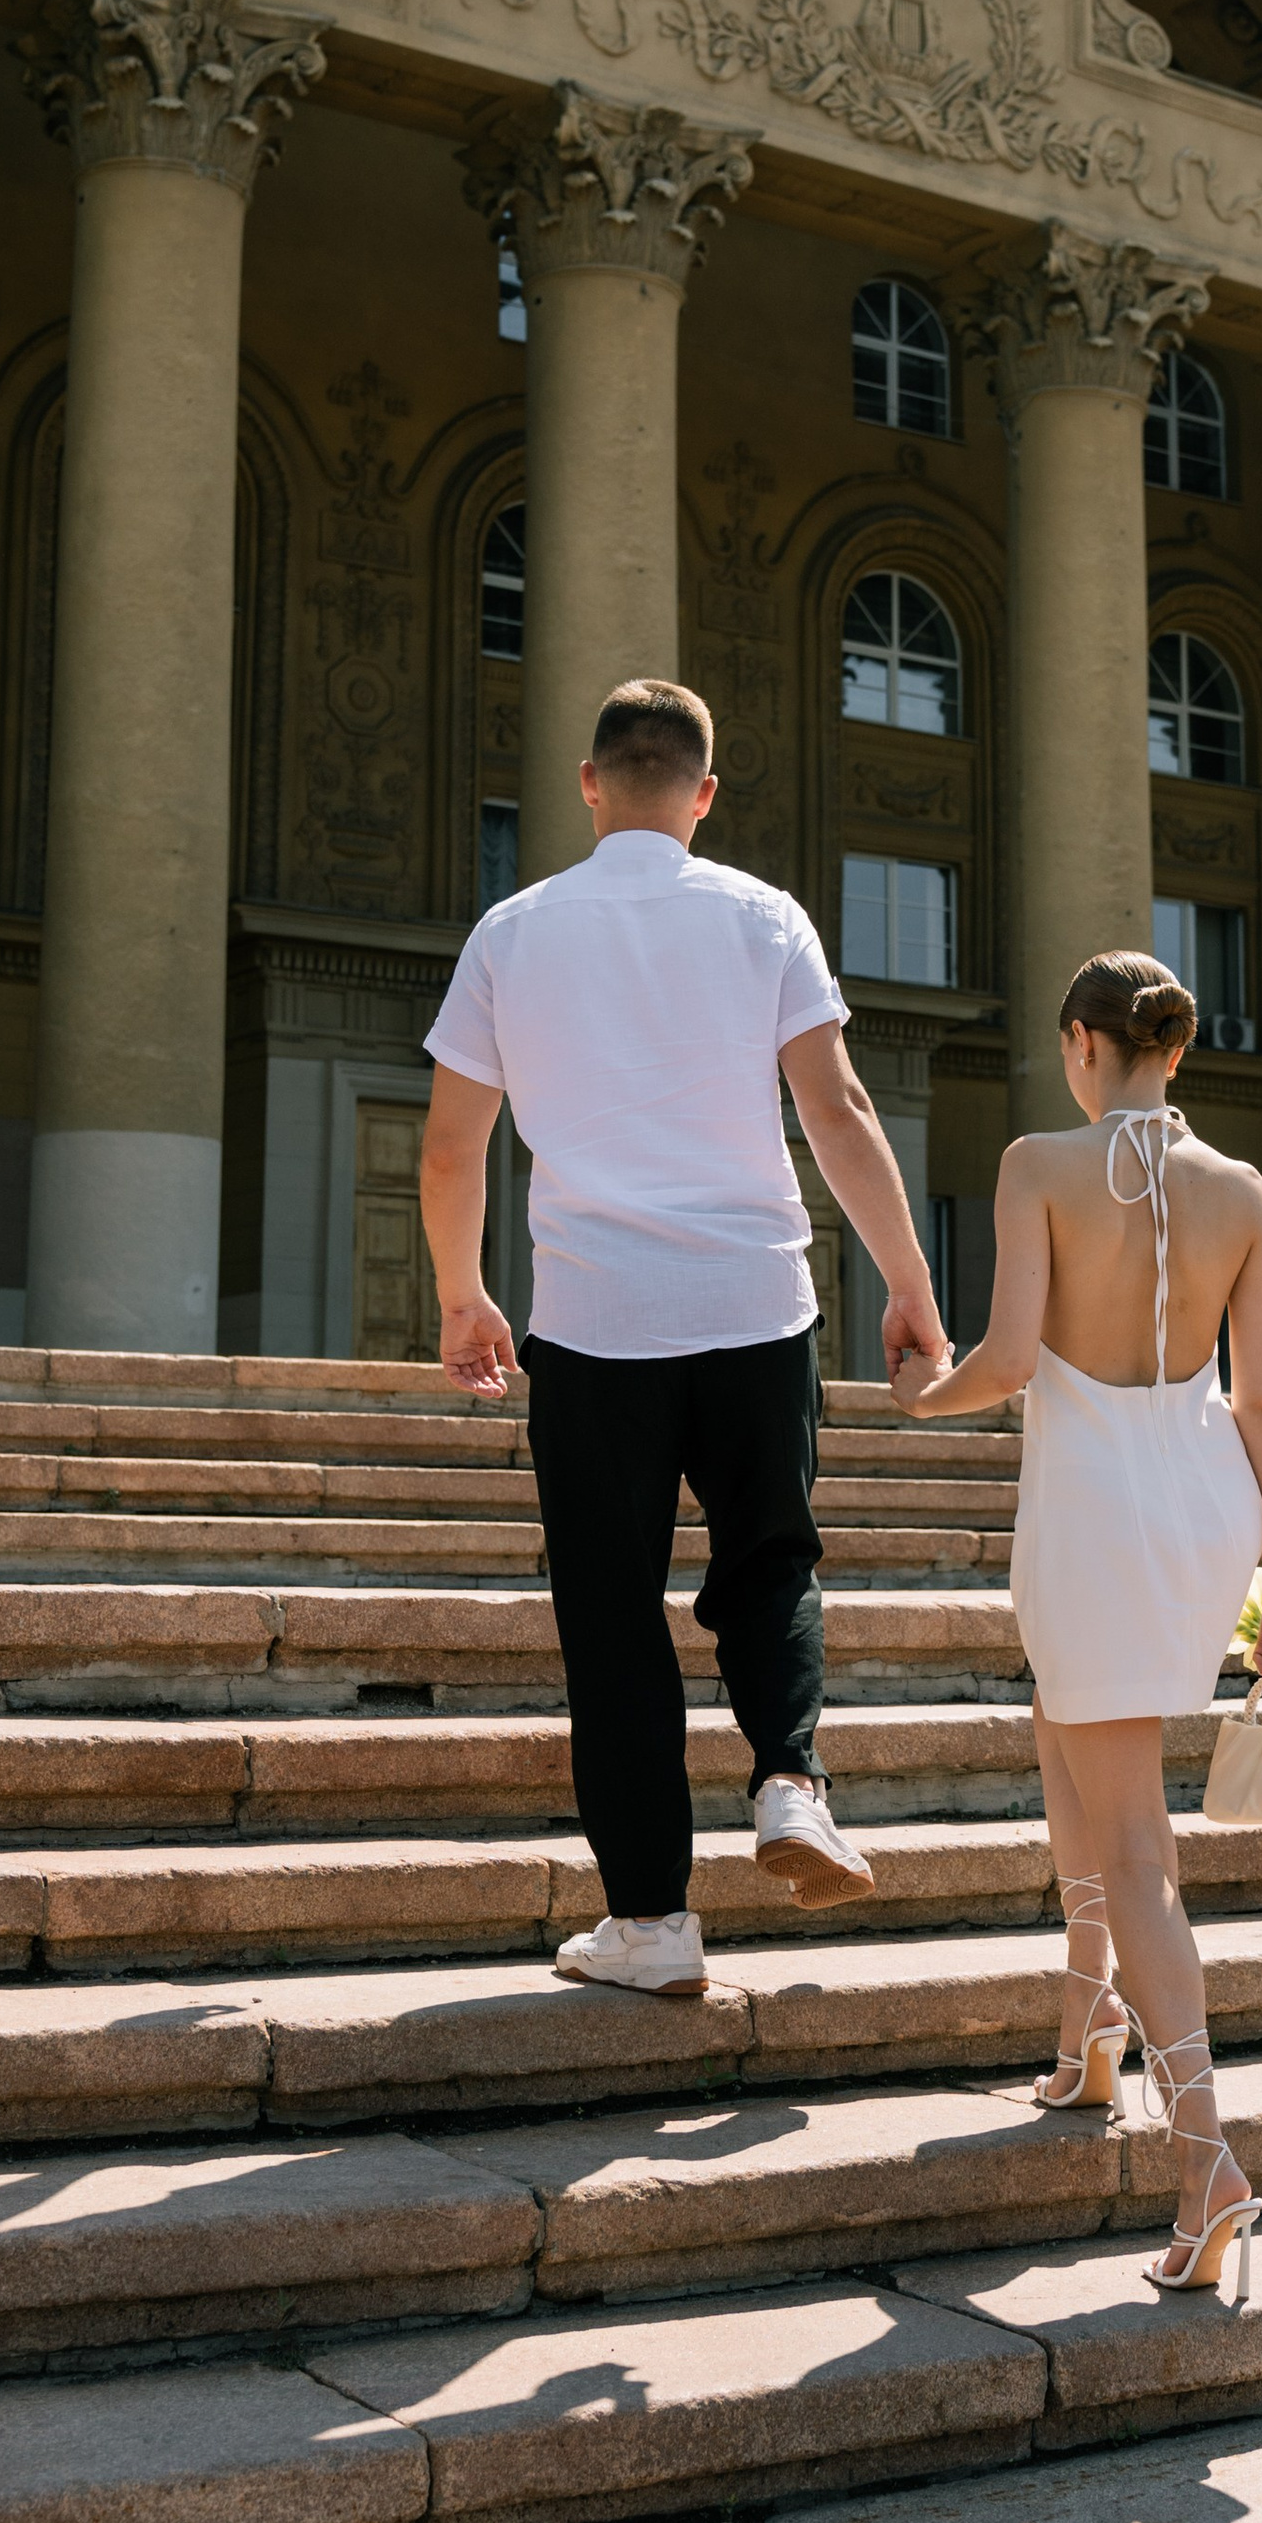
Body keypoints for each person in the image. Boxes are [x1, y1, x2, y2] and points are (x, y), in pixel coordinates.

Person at [418, 677, 952, 1996]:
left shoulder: (511, 932)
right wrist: (908, 1282)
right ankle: (790, 1779)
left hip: (594, 1325)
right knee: (770, 1563)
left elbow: (450, 1146)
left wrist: (463, 1294)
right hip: (754, 1307)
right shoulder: (765, 916)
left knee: (611, 1619)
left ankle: (652, 1927)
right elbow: (837, 1108)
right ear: (704, 795)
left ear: (589, 784)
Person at [896, 950, 1262, 2298]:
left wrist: (920, 1393)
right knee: (1065, 1723)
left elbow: (1011, 1360)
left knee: (1136, 1841)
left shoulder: (1037, 1165)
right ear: (1174, 1050)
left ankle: (1205, 2157)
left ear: (1082, 1042)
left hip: (1092, 1510)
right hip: (1204, 1510)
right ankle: (1089, 2030)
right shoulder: (1243, 1190)